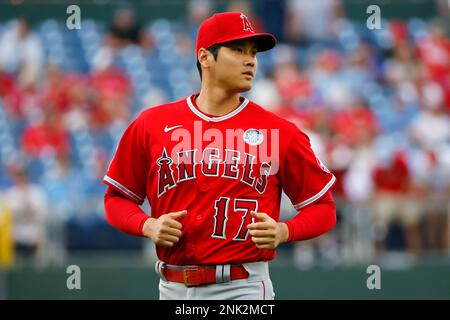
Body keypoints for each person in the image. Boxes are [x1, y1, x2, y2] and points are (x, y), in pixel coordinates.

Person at [103, 12, 337, 300]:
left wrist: (284, 231)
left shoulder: (279, 132)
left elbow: (324, 209)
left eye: (253, 52)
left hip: (242, 286)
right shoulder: (151, 124)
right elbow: (116, 198)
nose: (250, 60)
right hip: (171, 286)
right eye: (238, 50)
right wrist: (147, 224)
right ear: (205, 57)